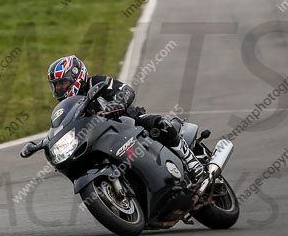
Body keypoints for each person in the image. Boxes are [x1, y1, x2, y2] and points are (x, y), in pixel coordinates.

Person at [47, 55, 206, 183]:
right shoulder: (67, 107)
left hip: (129, 122)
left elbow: (126, 90)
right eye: (56, 85)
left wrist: (117, 103)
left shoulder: (96, 82)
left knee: (159, 124)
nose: (59, 88)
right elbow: (62, 126)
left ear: (76, 75)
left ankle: (191, 162)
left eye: (62, 82)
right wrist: (48, 143)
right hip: (104, 138)